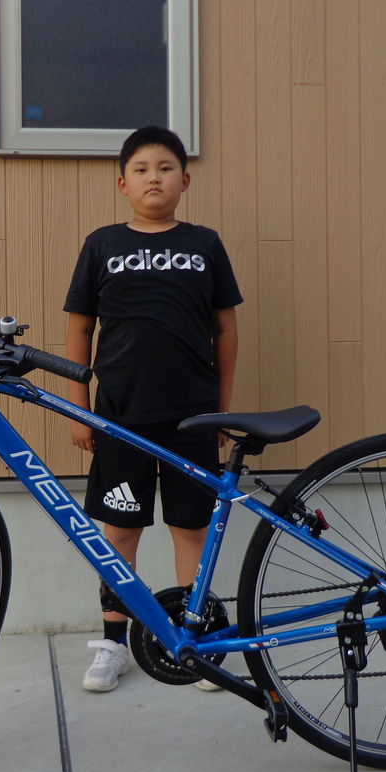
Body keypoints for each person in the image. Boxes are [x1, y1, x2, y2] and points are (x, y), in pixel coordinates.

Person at [63, 125, 242, 692]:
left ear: (185, 180)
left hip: (192, 417)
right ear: (123, 183)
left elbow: (226, 330)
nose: (153, 178)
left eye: (165, 168)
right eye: (141, 169)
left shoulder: (205, 244)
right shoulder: (102, 245)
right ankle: (114, 645)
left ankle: (198, 642)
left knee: (191, 529)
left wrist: (221, 409)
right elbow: (79, 330)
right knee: (120, 531)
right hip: (120, 416)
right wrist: (80, 410)